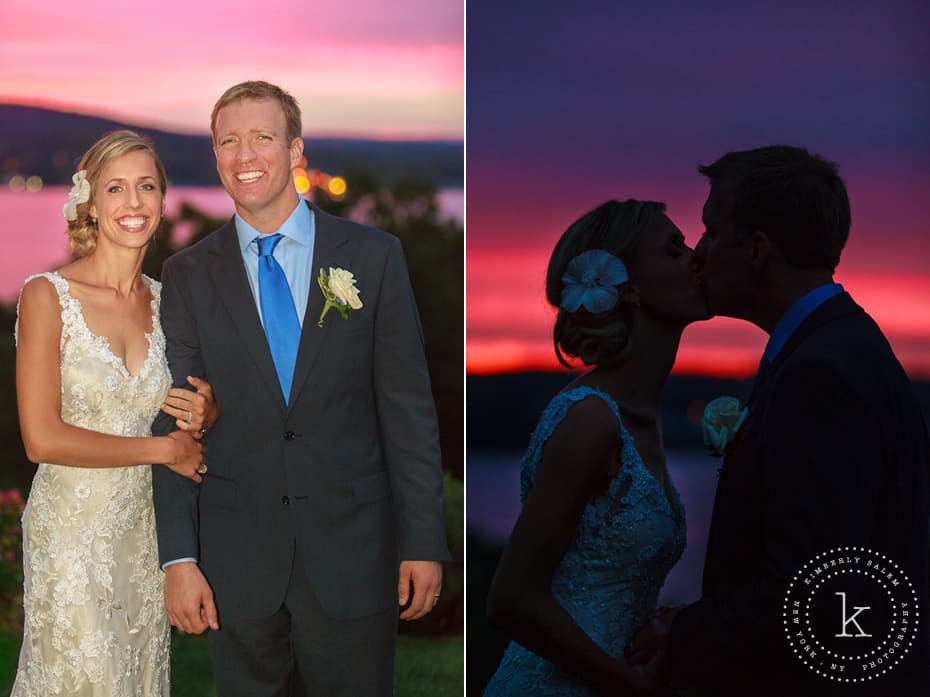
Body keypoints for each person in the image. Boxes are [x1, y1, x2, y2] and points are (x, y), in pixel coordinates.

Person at [151, 80, 449, 697]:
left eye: (262, 137)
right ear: (215, 157)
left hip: (354, 556)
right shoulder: (184, 275)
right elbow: (175, 422)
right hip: (239, 565)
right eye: (228, 141)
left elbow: (408, 411)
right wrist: (180, 558)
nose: (244, 155)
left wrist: (423, 540)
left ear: (295, 152)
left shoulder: (374, 258)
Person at [629, 145, 930, 695]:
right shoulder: (842, 347)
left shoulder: (821, 375)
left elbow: (811, 587)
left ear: (758, 249)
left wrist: (684, 632)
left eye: (712, 231)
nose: (699, 252)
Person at [12, 130, 217, 696]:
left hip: (144, 537)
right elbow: (41, 439)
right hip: (72, 534)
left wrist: (207, 409)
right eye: (116, 188)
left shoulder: (167, 302)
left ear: (162, 198)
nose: (133, 203)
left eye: (146, 186)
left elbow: (186, 410)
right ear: (91, 204)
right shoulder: (46, 296)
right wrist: (162, 451)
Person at [482, 199, 709, 696]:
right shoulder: (591, 420)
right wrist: (630, 687)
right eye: (674, 250)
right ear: (627, 288)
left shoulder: (640, 418)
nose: (696, 257)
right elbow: (511, 598)